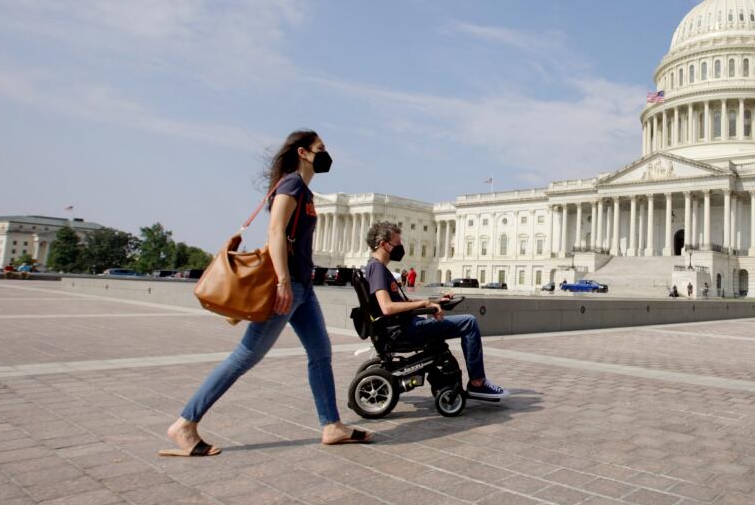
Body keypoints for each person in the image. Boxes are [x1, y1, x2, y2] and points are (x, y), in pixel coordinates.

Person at [164, 130, 371, 457]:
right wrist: (283, 282)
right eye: (321, 149)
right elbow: (275, 230)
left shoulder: (304, 191)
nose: (326, 155)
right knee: (246, 355)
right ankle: (185, 423)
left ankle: (331, 426)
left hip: (304, 287)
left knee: (320, 352)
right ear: (303, 152)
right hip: (288, 285)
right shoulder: (291, 184)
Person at [364, 222, 509, 400]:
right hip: (403, 330)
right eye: (397, 243)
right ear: (384, 244)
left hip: (402, 326)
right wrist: (424, 303)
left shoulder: (376, 267)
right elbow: (387, 307)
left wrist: (434, 302)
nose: (401, 247)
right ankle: (477, 382)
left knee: (460, 322)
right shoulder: (377, 268)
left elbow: (403, 303)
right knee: (469, 322)